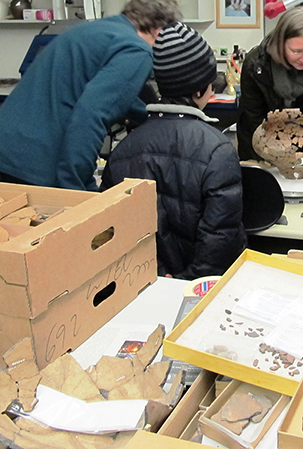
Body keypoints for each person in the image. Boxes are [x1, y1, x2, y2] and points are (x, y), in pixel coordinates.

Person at [0, 0, 181, 191]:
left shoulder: (88, 31)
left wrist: (155, 118)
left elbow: (114, 96)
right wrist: (78, 187)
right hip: (34, 168)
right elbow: (91, 115)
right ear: (159, 31)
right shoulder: (137, 50)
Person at [101, 22, 246, 280]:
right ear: (201, 89)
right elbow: (220, 242)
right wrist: (184, 283)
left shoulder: (123, 151)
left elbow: (112, 233)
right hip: (204, 290)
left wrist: (157, 276)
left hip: (142, 286)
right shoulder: (218, 150)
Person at [237, 6, 303, 161]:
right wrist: (282, 157)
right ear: (280, 44)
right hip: (261, 143)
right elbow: (255, 121)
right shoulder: (255, 64)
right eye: (296, 51)